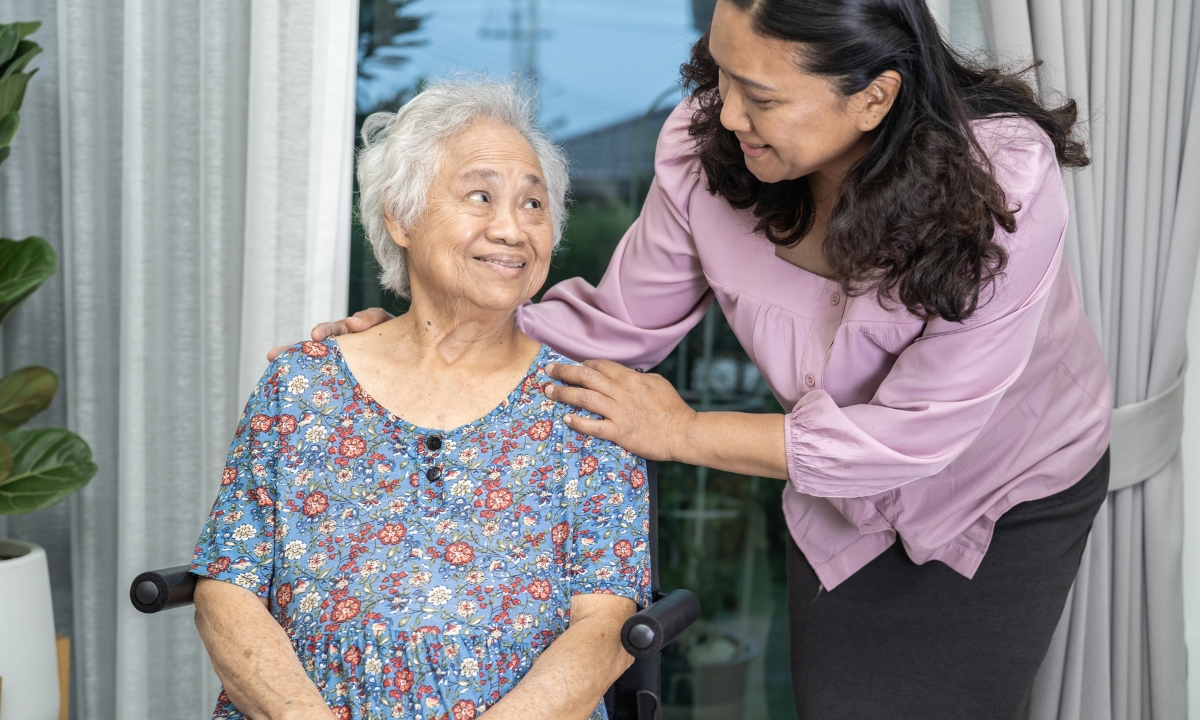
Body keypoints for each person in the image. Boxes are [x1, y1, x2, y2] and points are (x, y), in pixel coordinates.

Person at [305, 1, 1116, 718]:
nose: (728, 113)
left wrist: (685, 432)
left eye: (761, 96)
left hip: (1005, 485)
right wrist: (422, 339)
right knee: (839, 701)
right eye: (723, 74)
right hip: (833, 489)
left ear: (874, 97)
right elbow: (617, 326)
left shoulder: (1001, 182)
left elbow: (910, 437)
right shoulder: (709, 150)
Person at [193, 77, 651, 720]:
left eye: (533, 204)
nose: (512, 228)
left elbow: (606, 629)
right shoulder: (300, 387)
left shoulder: (586, 404)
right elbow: (226, 588)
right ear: (400, 217)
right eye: (481, 195)